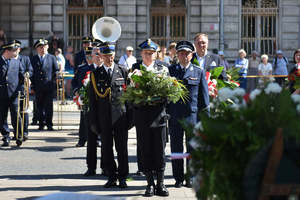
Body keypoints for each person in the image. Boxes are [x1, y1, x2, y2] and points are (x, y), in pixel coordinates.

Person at [168, 41, 210, 188]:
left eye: (186, 53)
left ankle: (190, 177)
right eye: (181, 53)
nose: (184, 56)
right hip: (174, 116)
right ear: (177, 55)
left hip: (192, 117)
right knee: (176, 148)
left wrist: (206, 119)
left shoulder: (198, 72)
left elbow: (204, 99)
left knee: (192, 148)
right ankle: (178, 178)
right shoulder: (170, 71)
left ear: (192, 55)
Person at [131, 39, 170, 197]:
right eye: (146, 53)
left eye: (152, 53)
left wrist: (157, 97)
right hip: (142, 117)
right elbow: (130, 94)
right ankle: (149, 184)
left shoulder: (163, 68)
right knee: (145, 150)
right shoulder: (135, 69)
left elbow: (168, 91)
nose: (149, 55)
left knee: (159, 151)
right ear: (141, 54)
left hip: (158, 115)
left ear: (156, 54)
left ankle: (161, 183)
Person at [88, 42, 129, 188]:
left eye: (111, 55)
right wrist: (93, 121)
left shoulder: (122, 71)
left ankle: (123, 176)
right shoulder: (95, 74)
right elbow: (92, 101)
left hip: (120, 116)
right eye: (106, 56)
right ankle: (111, 176)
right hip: (103, 117)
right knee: (106, 148)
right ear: (101, 56)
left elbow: (129, 97)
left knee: (122, 148)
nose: (109, 58)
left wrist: (130, 119)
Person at [0, 41, 25, 146]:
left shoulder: (16, 62)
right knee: (2, 117)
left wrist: (21, 90)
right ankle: (6, 136)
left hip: (13, 94)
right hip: (1, 94)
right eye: (14, 50)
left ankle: (19, 136)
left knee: (16, 115)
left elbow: (21, 78)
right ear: (7, 51)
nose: (16, 52)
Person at [31, 39, 59, 131]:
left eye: (44, 47)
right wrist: (32, 86)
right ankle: (41, 124)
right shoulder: (33, 59)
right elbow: (31, 73)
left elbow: (56, 71)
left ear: (47, 47)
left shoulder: (52, 58)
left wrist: (56, 81)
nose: (42, 49)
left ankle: (49, 124)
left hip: (48, 86)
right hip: (38, 86)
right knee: (39, 106)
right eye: (40, 47)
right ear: (37, 49)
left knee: (49, 106)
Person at [72, 47, 94, 147]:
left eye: (91, 55)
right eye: (87, 55)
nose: (89, 57)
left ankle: (96, 139)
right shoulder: (81, 68)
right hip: (83, 96)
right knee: (83, 119)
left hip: (94, 96)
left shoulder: (96, 67)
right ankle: (82, 140)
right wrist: (76, 91)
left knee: (95, 118)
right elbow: (74, 81)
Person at [12, 40, 33, 141]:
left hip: (22, 88)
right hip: (11, 90)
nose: (15, 51)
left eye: (17, 49)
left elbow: (30, 69)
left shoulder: (25, 59)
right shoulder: (9, 59)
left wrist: (27, 75)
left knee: (23, 111)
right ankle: (17, 133)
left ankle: (24, 132)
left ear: (19, 49)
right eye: (13, 49)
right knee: (14, 113)